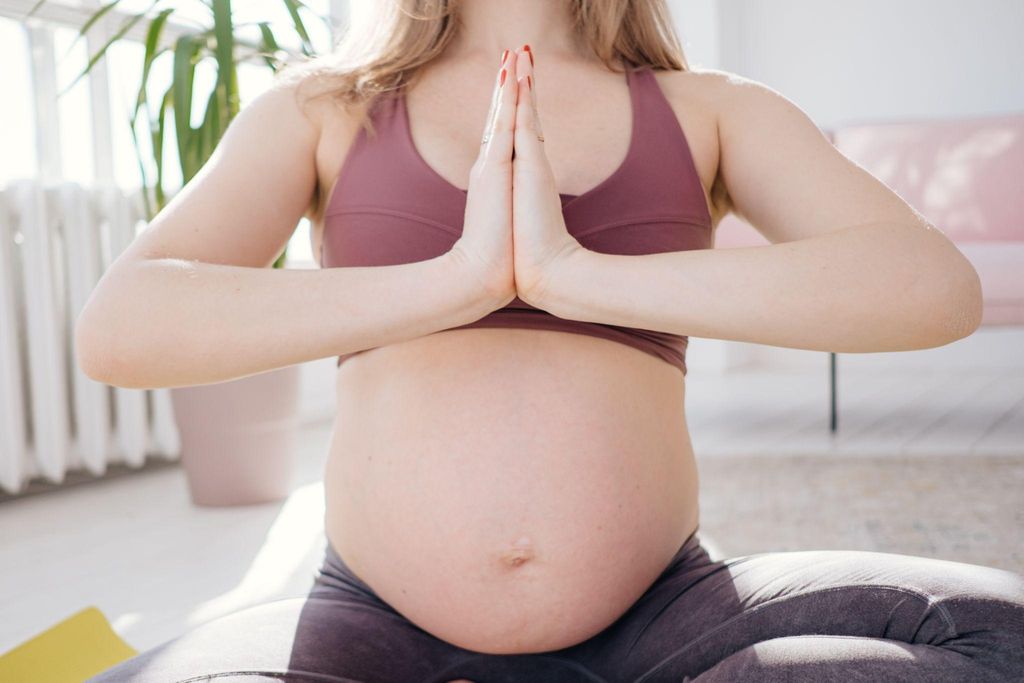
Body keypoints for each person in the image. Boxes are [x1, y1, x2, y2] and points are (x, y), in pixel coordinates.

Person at [79, 1, 1023, 681]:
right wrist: (457, 280)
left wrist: (572, 273)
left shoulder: (711, 109)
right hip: (368, 623)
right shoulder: (324, 109)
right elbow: (121, 329)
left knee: (999, 633)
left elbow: (933, 288)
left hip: (664, 614)